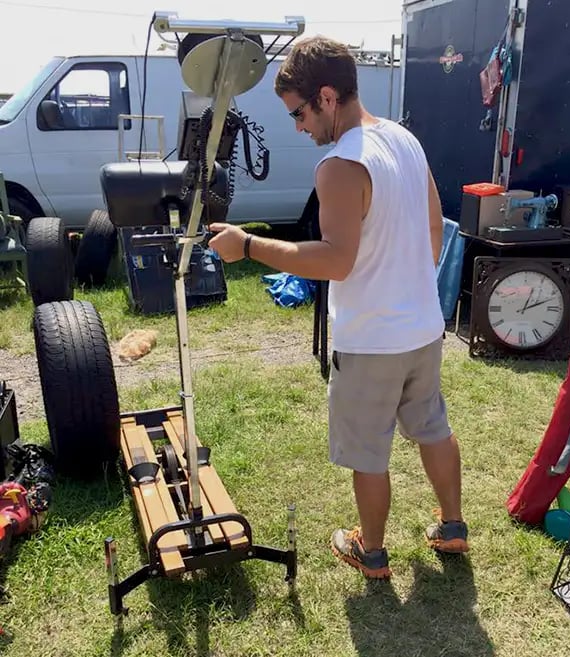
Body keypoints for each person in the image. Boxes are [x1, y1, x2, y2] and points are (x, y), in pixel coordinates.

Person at [208, 35, 469, 579]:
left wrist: (249, 245)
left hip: (371, 341)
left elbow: (335, 261)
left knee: (367, 455)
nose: (299, 126)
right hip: (422, 329)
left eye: (299, 112)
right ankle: (452, 526)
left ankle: (369, 551)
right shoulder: (403, 138)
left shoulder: (340, 164)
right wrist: (414, 286)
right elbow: (434, 225)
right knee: (433, 429)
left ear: (327, 96)